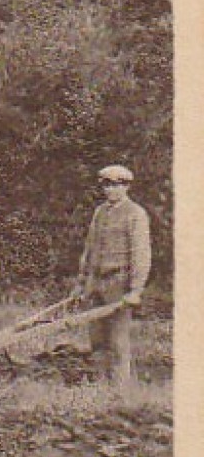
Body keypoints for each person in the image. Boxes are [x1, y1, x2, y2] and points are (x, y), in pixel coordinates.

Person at [74, 163, 151, 384]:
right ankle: (100, 385)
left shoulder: (135, 214)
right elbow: (89, 250)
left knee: (117, 340)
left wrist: (136, 290)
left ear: (126, 187)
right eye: (106, 186)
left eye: (116, 185)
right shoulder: (100, 212)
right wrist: (81, 283)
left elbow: (141, 253)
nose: (110, 190)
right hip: (95, 282)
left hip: (118, 282)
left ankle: (120, 391)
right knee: (96, 339)